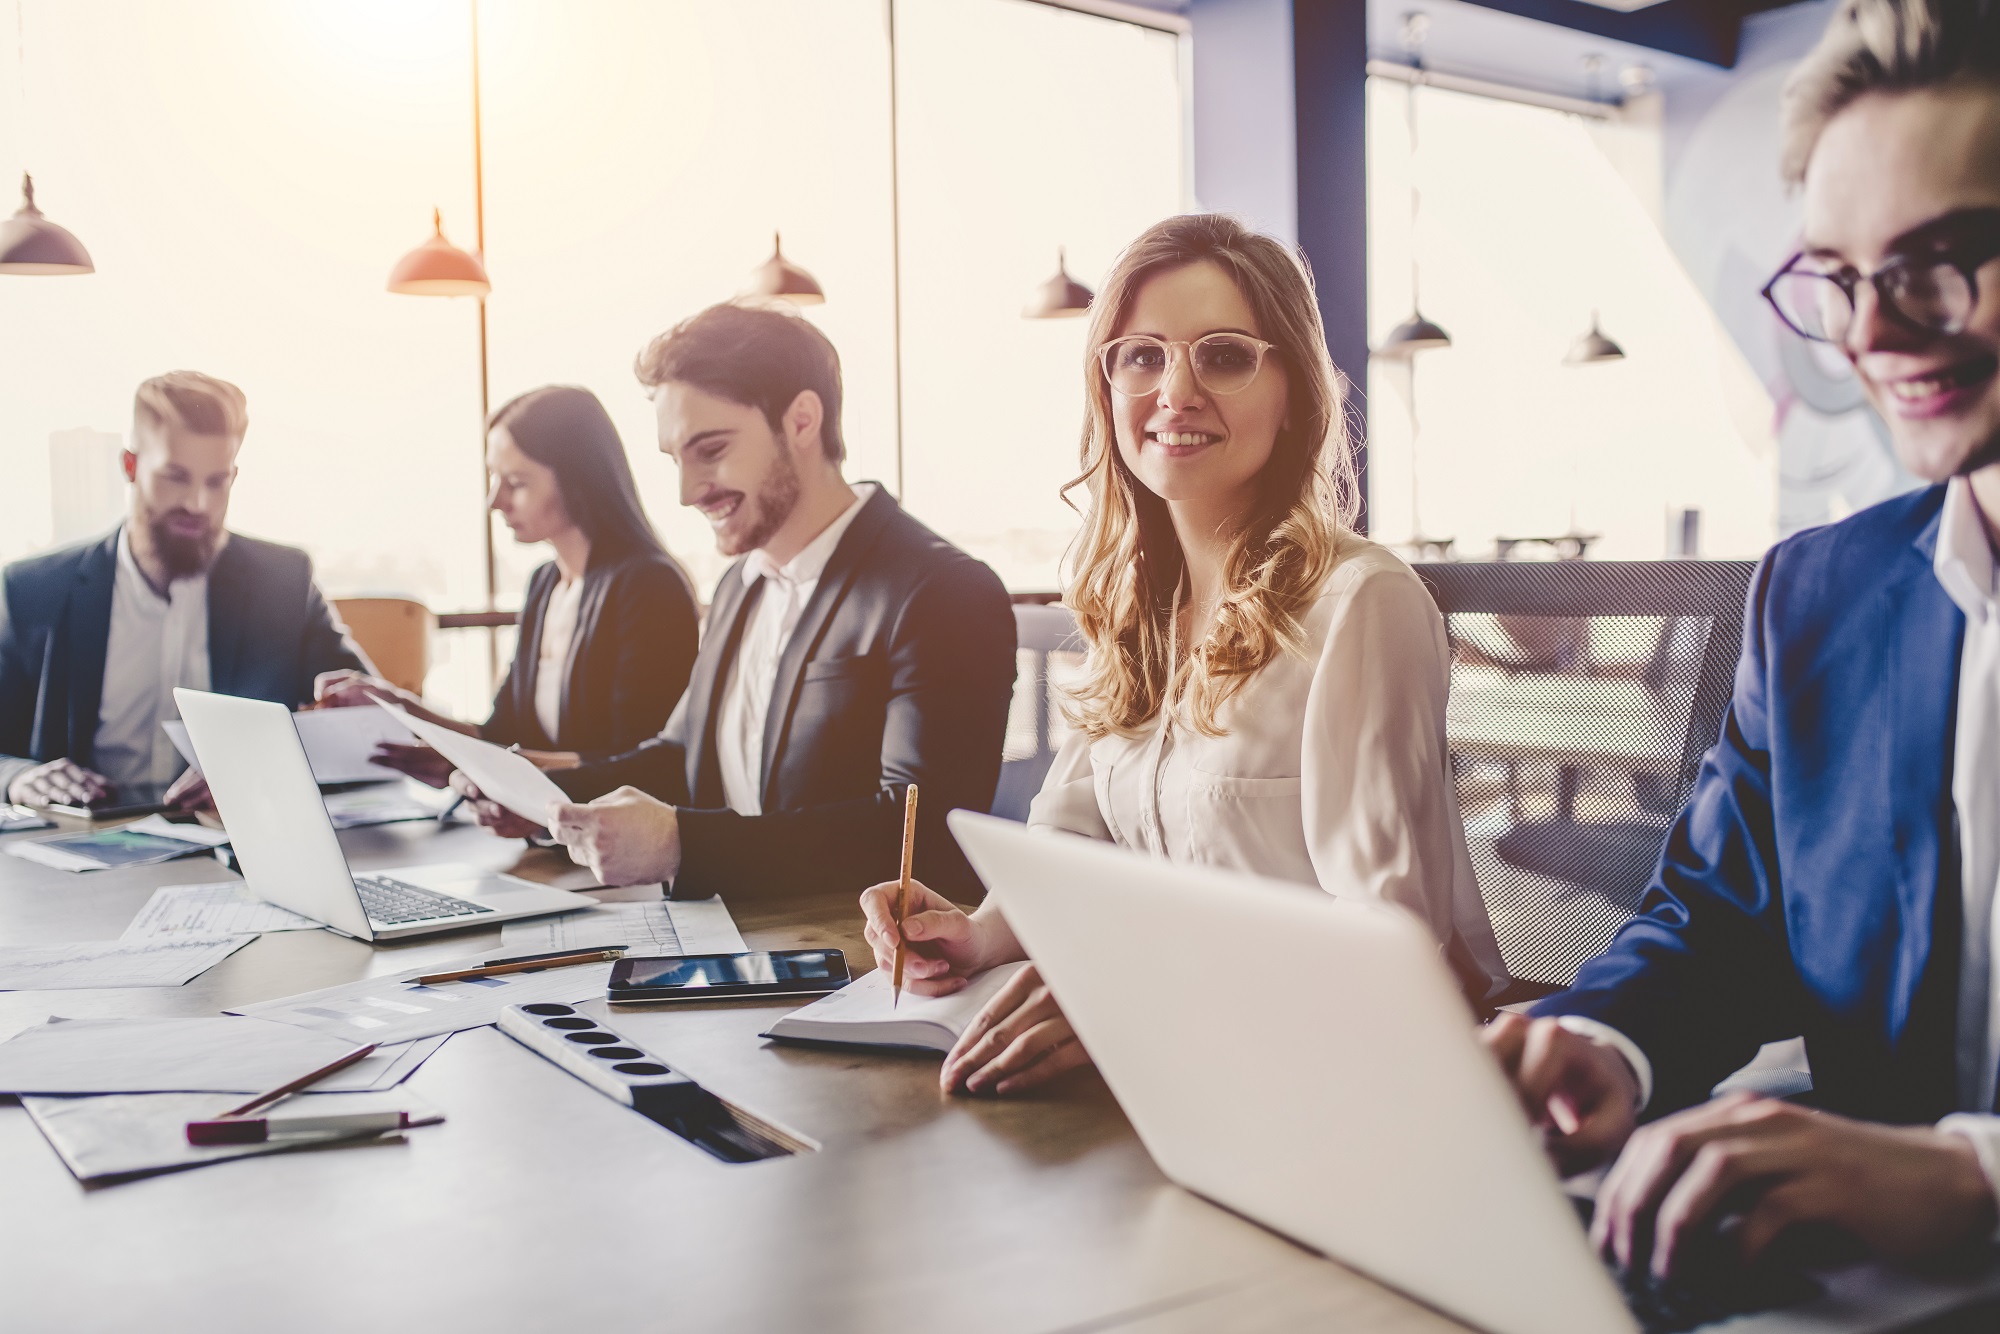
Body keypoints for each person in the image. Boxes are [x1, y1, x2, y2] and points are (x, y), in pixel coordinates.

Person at [1484, 0, 2000, 1282]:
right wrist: (1604, 1042)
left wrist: (1970, 1177)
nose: (1872, 335)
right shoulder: (1820, 596)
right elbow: (1717, 921)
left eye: (1939, 260)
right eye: (1837, 277)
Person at [857, 213, 1509, 1098]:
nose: (1176, 390)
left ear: (1293, 394)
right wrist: (978, 935)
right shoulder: (1139, 604)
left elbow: (1383, 945)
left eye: (1226, 356)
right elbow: (1073, 839)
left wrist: (1132, 1001)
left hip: (1337, 1088)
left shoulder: (1360, 605)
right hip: (1175, 1080)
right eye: (1142, 355)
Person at [457, 302, 1017, 905]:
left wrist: (684, 844)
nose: (686, 492)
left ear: (802, 421)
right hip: (740, 932)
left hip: (859, 961)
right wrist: (546, 798)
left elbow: (921, 837)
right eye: (676, 459)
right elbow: (680, 757)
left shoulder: (941, 590)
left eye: (711, 449)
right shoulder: (739, 586)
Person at [0, 371, 368, 808]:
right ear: (131, 466)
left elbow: (369, 723)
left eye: (217, 481)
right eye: (176, 477)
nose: (198, 503)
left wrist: (262, 764)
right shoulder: (33, 591)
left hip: (232, 846)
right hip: (79, 846)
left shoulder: (283, 582)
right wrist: (16, 777)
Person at [314, 385, 698, 778]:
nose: (494, 501)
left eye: (516, 482)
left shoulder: (649, 587)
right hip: (546, 825)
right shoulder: (546, 584)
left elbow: (641, 764)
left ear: (578, 478)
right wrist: (394, 703)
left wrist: (481, 764)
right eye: (494, 478)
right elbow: (499, 733)